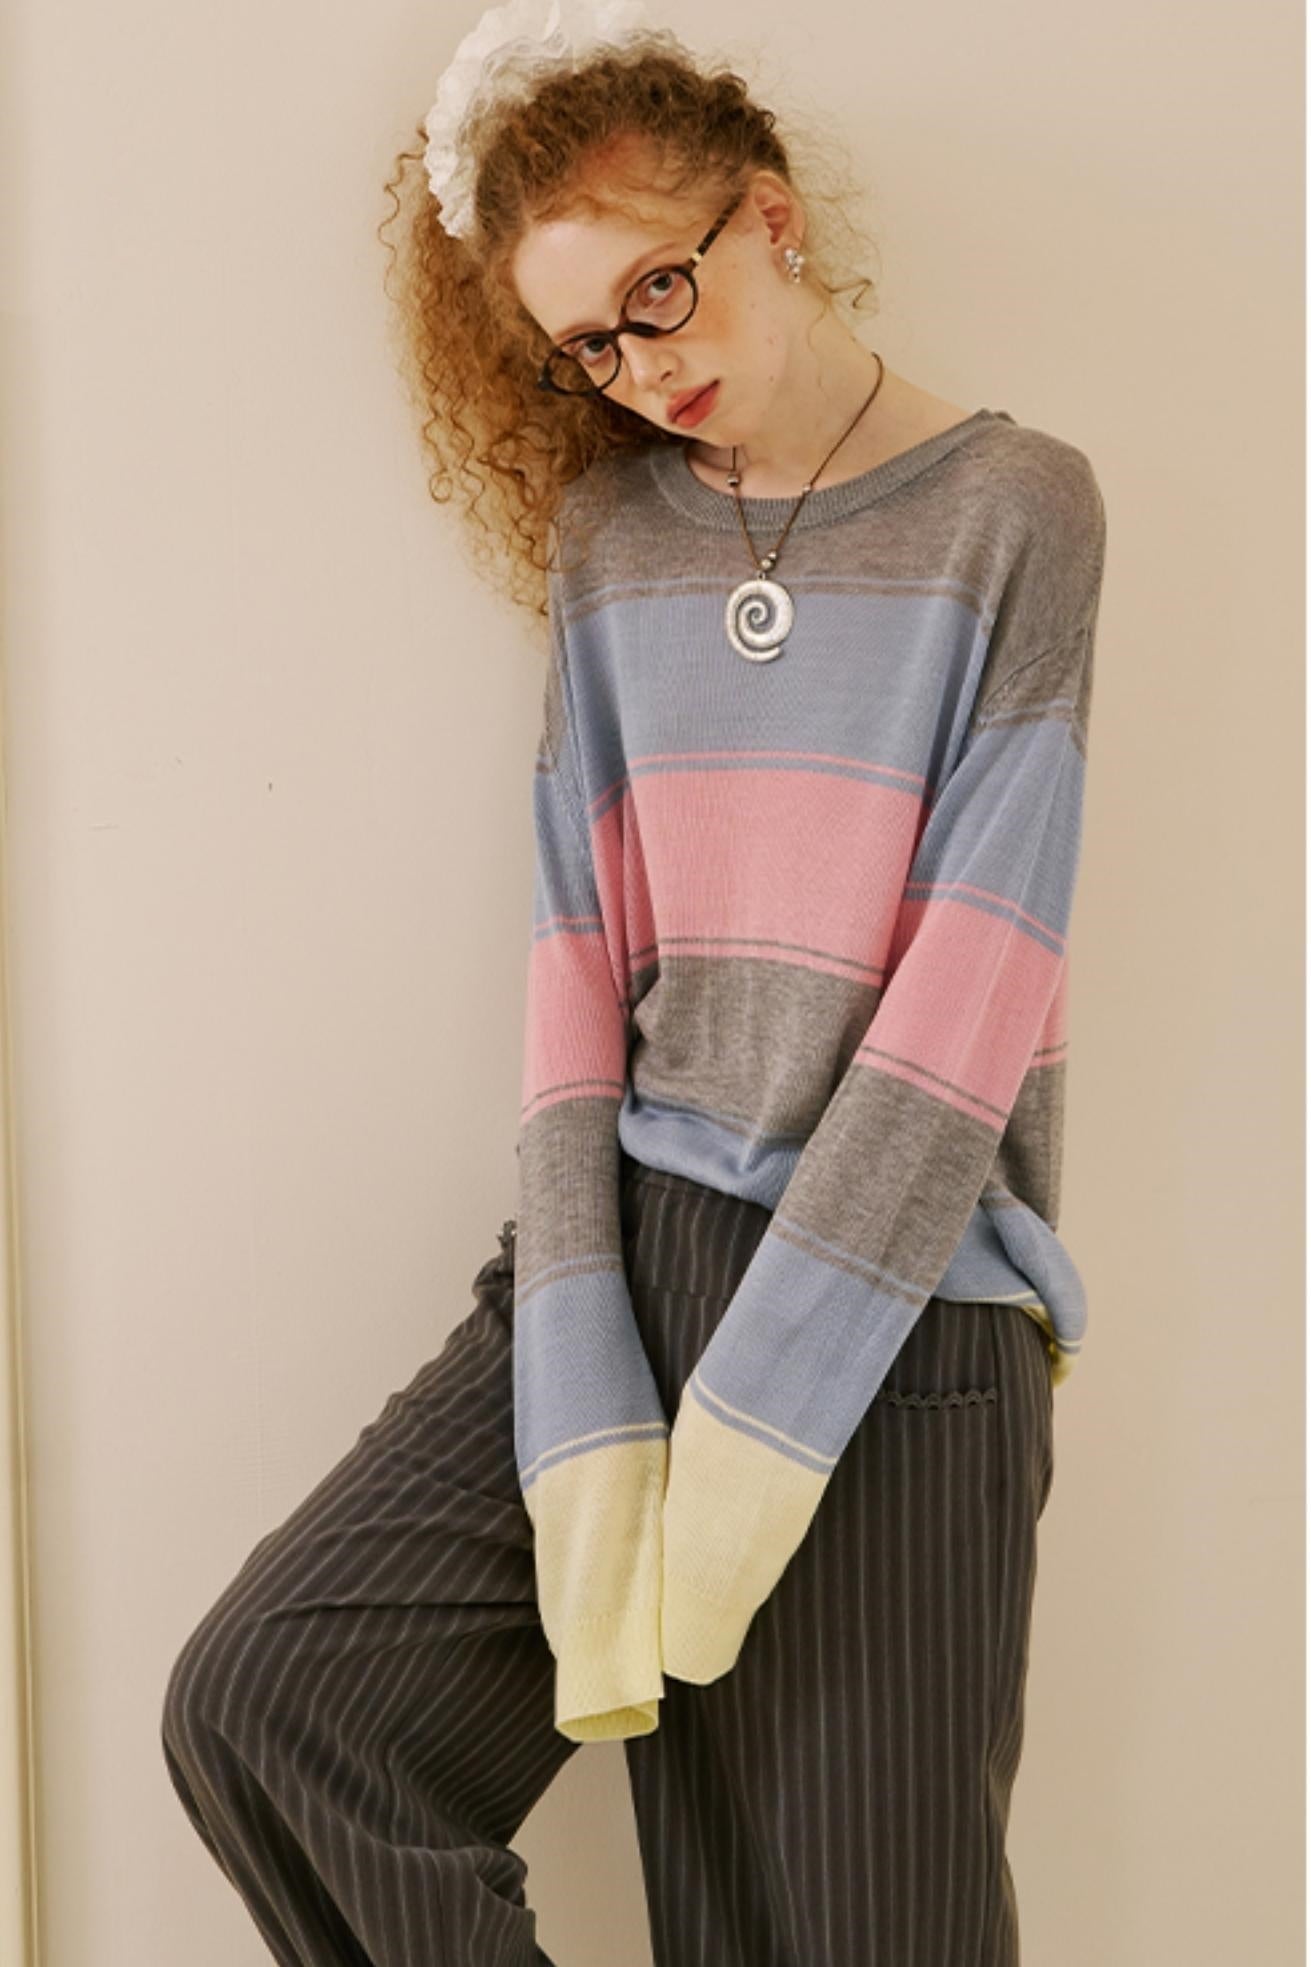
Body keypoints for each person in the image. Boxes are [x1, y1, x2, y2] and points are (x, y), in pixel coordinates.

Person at [160, 6, 1107, 1964]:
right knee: (272, 1705)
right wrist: (589, 1358)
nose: (641, 366)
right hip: (626, 1250)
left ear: (768, 216)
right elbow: (572, 958)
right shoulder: (610, 537)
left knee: (849, 1935)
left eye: (656, 293)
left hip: (900, 1306)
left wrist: (760, 1423)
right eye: (588, 343)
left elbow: (976, 980)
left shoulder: (1013, 508)